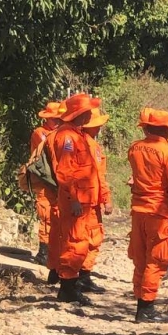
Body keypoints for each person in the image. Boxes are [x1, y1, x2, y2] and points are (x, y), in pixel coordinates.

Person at [46, 93, 104, 305]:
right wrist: (74, 200)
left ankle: (73, 284)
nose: (91, 114)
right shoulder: (67, 137)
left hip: (85, 200)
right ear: (80, 114)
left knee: (84, 240)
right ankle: (67, 289)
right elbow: (66, 172)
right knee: (74, 242)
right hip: (76, 200)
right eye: (88, 111)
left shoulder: (77, 135)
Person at [127, 108, 168, 324]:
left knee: (140, 258)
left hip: (138, 210)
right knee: (158, 259)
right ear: (165, 130)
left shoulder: (134, 148)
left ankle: (140, 301)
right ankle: (147, 307)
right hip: (158, 211)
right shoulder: (167, 152)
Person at [79, 107, 113, 294]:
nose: (100, 128)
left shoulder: (78, 141)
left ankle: (75, 277)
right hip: (89, 200)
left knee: (78, 238)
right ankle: (83, 276)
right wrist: (106, 199)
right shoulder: (92, 146)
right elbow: (99, 176)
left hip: (80, 198)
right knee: (93, 239)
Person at [30, 101, 63, 267]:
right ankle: (43, 251)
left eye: (59, 118)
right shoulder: (40, 133)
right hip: (44, 180)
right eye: (54, 118)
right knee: (46, 214)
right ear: (47, 118)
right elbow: (49, 151)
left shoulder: (59, 133)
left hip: (55, 180)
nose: (57, 121)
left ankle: (53, 251)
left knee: (55, 215)